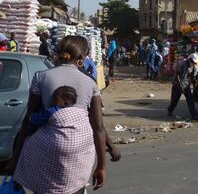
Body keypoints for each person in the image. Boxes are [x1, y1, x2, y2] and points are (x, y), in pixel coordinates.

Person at [7, 36, 118, 193]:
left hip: (49, 147)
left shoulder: (41, 76)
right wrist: (101, 166)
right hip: (79, 149)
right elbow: (98, 127)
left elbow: (29, 121)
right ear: (81, 59)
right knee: (76, 188)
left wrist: (15, 160)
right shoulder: (90, 82)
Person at [167, 53, 198, 120]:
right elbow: (177, 76)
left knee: (190, 100)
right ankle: (170, 110)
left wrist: (194, 87)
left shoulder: (193, 66)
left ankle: (194, 114)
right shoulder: (181, 64)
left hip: (186, 84)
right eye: (192, 62)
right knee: (174, 100)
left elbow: (193, 77)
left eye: (194, 62)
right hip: (177, 84)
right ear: (189, 60)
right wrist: (180, 87)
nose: (193, 63)